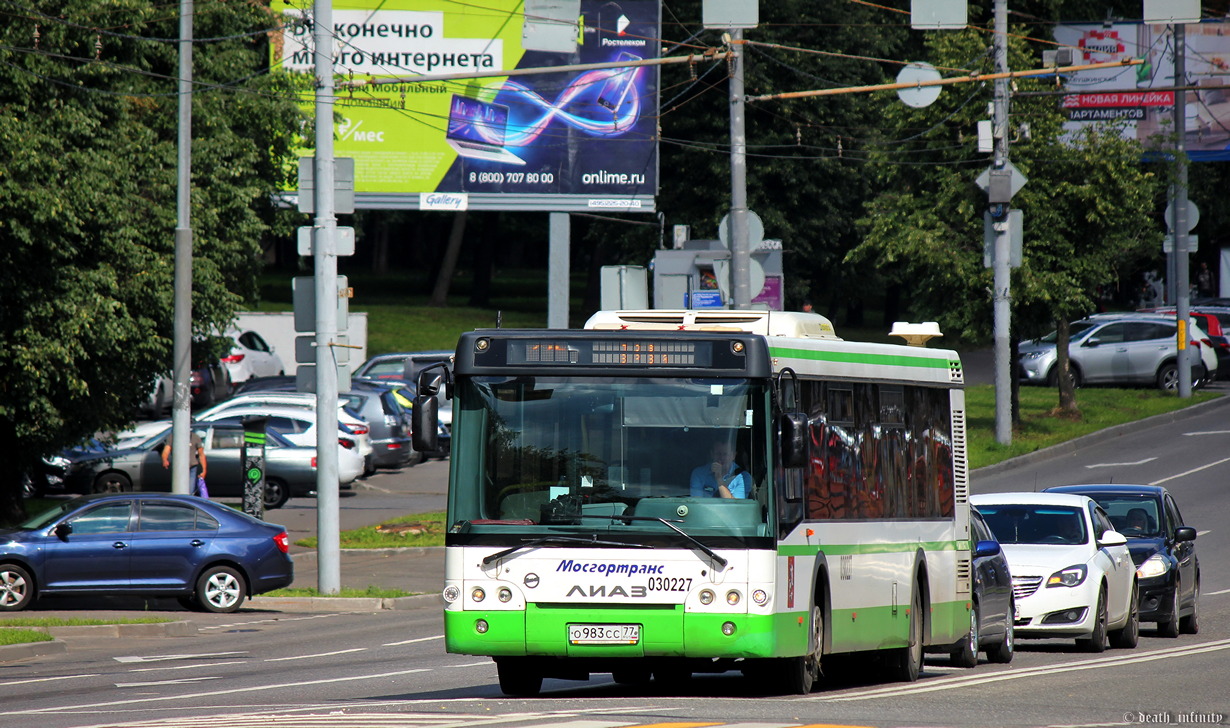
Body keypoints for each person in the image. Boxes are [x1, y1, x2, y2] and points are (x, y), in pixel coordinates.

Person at [162, 431, 208, 496]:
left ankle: (188, 501)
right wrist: (165, 459)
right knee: (178, 489)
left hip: (192, 467)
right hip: (178, 468)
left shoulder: (195, 437)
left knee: (190, 490)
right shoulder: (172, 437)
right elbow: (166, 450)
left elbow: (201, 455)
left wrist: (204, 470)